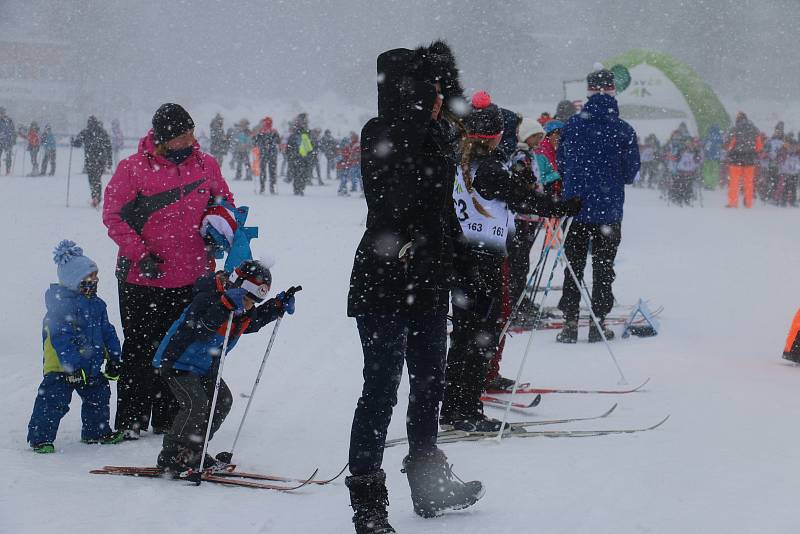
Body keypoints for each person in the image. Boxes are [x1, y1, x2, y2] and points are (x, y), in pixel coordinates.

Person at [345, 41, 484, 533]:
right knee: (380, 388)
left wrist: (464, 263)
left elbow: (439, 209)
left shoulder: (435, 136)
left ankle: (428, 484)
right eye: (432, 90)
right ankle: (367, 500)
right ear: (412, 90)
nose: (439, 98)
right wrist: (422, 124)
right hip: (384, 278)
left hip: (427, 277)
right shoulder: (383, 132)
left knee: (429, 385)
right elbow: (394, 201)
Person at [444, 96, 578, 427]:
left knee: (463, 336)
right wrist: (563, 207)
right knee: (479, 336)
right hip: (483, 259)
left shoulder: (456, 159)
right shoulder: (486, 167)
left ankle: (452, 406)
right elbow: (525, 197)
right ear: (494, 136)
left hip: (462, 258)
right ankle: (467, 411)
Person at [103, 103, 234, 440]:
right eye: (182, 134)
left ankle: (168, 418)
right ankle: (131, 420)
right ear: (164, 139)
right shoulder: (132, 169)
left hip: (192, 277)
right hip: (140, 278)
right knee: (139, 349)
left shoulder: (206, 165)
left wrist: (219, 226)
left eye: (191, 130)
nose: (191, 138)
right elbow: (113, 216)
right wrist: (139, 253)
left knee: (176, 350)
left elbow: (225, 203)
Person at [152, 260, 295, 472]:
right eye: (247, 299)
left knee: (222, 400)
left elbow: (251, 323)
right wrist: (223, 306)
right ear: (236, 287)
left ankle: (193, 450)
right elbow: (200, 330)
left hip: (205, 366)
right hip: (177, 361)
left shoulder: (241, 306)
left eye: (253, 302)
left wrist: (276, 307)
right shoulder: (208, 296)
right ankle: (171, 454)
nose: (248, 305)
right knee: (196, 404)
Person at [556, 68, 640, 343]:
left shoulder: (571, 126)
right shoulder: (623, 130)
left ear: (588, 91)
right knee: (603, 268)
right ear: (613, 91)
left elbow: (562, 164)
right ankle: (598, 321)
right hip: (608, 210)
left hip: (575, 209)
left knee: (573, 266)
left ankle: (570, 322)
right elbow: (630, 173)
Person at [27, 240, 124, 453]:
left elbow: (107, 331)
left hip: (89, 366)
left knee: (98, 396)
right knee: (53, 401)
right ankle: (40, 438)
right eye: (90, 277)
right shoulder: (60, 307)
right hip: (61, 368)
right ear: (74, 280)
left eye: (96, 276)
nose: (95, 280)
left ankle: (95, 432)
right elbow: (61, 339)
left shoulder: (98, 305)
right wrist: (73, 365)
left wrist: (115, 357)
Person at [724, 112, 762, 208]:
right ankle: (748, 203)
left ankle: (733, 203)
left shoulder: (734, 129)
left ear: (738, 119)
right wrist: (753, 152)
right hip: (750, 160)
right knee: (749, 182)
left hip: (735, 159)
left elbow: (730, 145)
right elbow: (759, 146)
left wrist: (729, 150)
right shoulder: (754, 129)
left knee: (734, 182)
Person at [72, 116, 112, 207]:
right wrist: (109, 160)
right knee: (96, 179)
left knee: (93, 179)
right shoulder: (100, 132)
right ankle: (96, 197)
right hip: (97, 160)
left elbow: (77, 143)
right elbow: (108, 146)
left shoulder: (87, 132)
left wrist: (73, 142)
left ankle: (96, 197)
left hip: (93, 160)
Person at [286, 113, 314, 195]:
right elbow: (311, 146)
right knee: (301, 174)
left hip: (299, 157)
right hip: (301, 157)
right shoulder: (304, 134)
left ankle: (298, 188)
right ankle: (299, 188)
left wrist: (290, 155)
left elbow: (289, 147)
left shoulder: (301, 134)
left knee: (299, 174)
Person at [252, 116, 280, 194]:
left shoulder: (261, 131)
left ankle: (262, 187)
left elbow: (255, 142)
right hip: (272, 153)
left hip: (263, 153)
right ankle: (271, 187)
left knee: (263, 171)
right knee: (272, 171)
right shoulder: (274, 131)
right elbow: (278, 141)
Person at [0, 107, 15, 175]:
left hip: (8, 142)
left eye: (3, 112)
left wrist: (12, 139)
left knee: (8, 157)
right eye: (1, 112)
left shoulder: (9, 120)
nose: (2, 114)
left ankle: (8, 170)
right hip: (0, 141)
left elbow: (13, 130)